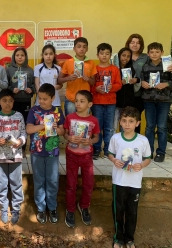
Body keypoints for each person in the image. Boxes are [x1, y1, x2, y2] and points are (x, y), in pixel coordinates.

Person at [108, 106, 151, 248]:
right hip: (119, 181)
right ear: (119, 121)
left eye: (131, 121)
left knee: (132, 211)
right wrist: (114, 160)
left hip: (135, 182)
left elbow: (147, 158)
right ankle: (118, 239)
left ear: (137, 123)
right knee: (118, 210)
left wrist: (142, 165)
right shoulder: (115, 138)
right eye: (124, 120)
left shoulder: (143, 140)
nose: (127, 124)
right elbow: (110, 154)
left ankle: (130, 238)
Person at [0, 89, 27, 224]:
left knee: (16, 183)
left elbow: (23, 133)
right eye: (4, 101)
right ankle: (3, 208)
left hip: (15, 155)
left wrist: (20, 141)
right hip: (1, 156)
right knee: (2, 183)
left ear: (13, 102)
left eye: (10, 101)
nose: (7, 103)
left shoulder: (19, 116)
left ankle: (16, 209)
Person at [26, 83, 65, 225]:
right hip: (36, 152)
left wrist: (56, 128)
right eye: (39, 98)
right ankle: (41, 208)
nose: (41, 101)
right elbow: (29, 129)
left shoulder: (58, 112)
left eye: (45, 99)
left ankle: (52, 207)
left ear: (53, 98)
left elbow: (63, 132)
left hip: (52, 152)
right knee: (39, 181)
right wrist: (42, 125)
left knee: (53, 180)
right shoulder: (34, 111)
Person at [124, 34, 172, 133]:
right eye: (132, 42)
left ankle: (136, 142)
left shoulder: (146, 57)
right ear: (128, 44)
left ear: (141, 45)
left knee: (136, 119)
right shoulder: (124, 56)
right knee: (126, 117)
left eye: (138, 43)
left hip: (142, 93)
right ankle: (126, 141)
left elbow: (158, 59)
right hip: (127, 93)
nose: (135, 45)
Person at [63, 90, 100, 228]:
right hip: (72, 155)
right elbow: (65, 135)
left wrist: (90, 142)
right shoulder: (70, 117)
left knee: (88, 183)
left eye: (82, 101)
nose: (78, 103)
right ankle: (70, 209)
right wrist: (69, 138)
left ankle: (84, 206)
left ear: (90, 104)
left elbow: (96, 137)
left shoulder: (93, 120)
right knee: (71, 184)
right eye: (76, 101)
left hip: (86, 156)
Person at [141, 42, 172, 162]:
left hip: (164, 100)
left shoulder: (169, 66)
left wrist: (166, 84)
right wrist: (143, 83)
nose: (154, 54)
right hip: (149, 100)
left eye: (157, 52)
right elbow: (141, 81)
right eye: (152, 52)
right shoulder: (145, 66)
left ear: (162, 53)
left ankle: (161, 152)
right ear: (148, 53)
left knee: (162, 127)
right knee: (149, 127)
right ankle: (149, 152)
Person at [91, 43, 122, 159]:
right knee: (97, 127)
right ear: (97, 55)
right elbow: (90, 85)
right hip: (97, 102)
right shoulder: (94, 68)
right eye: (102, 53)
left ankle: (108, 150)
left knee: (109, 127)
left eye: (107, 53)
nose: (104, 56)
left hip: (110, 102)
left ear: (110, 55)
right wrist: (96, 89)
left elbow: (119, 85)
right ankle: (96, 149)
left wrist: (111, 88)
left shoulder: (114, 69)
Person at [57, 37, 97, 116]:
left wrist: (88, 79)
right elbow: (59, 80)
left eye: (84, 47)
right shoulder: (68, 62)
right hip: (71, 98)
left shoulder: (91, 63)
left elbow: (93, 82)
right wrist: (68, 78)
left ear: (87, 49)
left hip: (85, 100)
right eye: (79, 46)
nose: (81, 49)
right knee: (70, 123)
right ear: (74, 48)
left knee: (84, 123)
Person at [6, 47, 35, 152]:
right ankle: (12, 145)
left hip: (25, 101)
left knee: (24, 123)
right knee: (13, 123)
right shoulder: (9, 69)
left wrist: (30, 90)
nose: (20, 57)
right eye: (17, 55)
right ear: (14, 57)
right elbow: (6, 85)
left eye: (22, 55)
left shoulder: (30, 70)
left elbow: (34, 86)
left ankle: (22, 147)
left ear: (25, 57)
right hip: (13, 101)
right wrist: (12, 90)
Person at [114, 48, 140, 130]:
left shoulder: (131, 69)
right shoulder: (114, 69)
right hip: (116, 103)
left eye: (128, 56)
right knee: (113, 126)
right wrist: (119, 82)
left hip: (128, 103)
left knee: (125, 127)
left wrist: (136, 80)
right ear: (119, 56)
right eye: (123, 55)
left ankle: (124, 142)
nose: (125, 58)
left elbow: (137, 82)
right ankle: (112, 142)